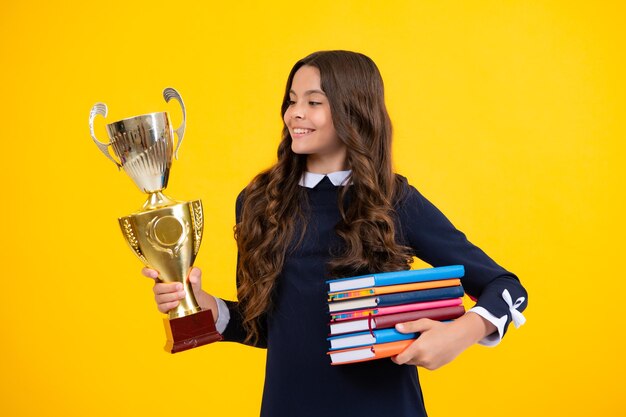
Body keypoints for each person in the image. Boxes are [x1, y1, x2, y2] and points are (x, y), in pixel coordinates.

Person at [142, 50, 528, 417]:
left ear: (353, 110)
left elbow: (508, 289)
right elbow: (266, 328)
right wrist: (208, 306)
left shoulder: (394, 199)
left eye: (314, 101)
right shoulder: (258, 203)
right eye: (292, 100)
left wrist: (461, 333)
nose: (295, 114)